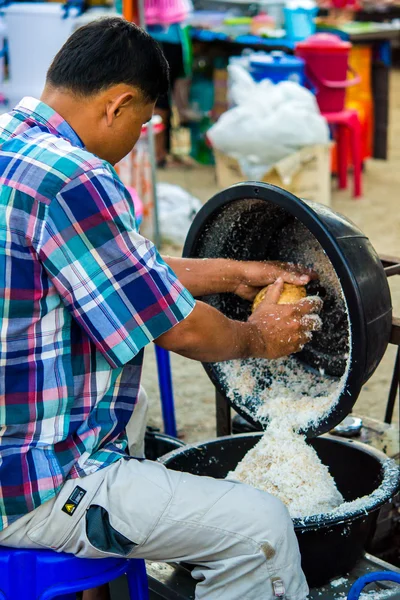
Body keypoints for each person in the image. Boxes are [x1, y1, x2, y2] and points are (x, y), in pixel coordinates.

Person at [0, 17, 322, 600]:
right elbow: (179, 328)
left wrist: (233, 273)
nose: (135, 141)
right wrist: (258, 337)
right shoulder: (73, 178)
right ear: (117, 105)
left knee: (136, 404)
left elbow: (114, 270)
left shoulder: (15, 149)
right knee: (260, 526)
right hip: (29, 484)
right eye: (143, 122)